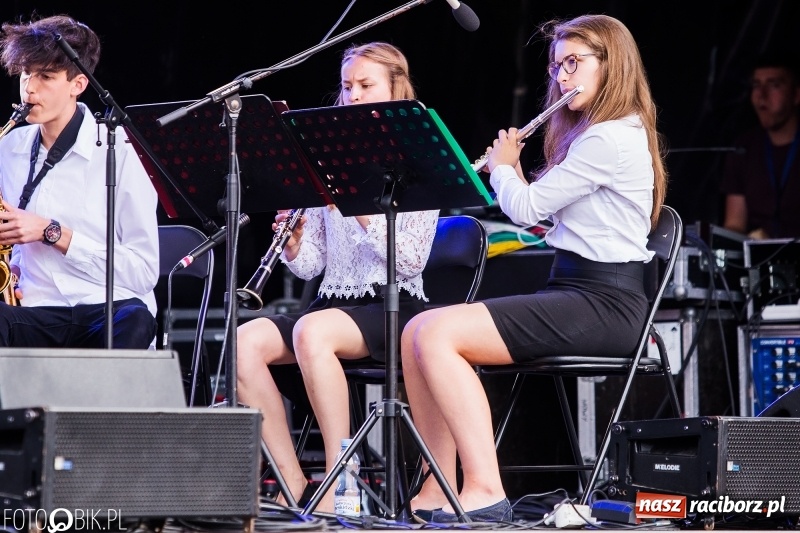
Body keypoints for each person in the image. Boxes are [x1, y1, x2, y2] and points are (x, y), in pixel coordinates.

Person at [401, 14, 668, 523]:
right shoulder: (597, 136)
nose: (562, 78)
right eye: (556, 66)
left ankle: (484, 490)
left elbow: (524, 208)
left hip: (606, 305)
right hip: (575, 291)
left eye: (574, 63)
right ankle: (436, 488)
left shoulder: (609, 138)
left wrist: (503, 165)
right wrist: (518, 181)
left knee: (436, 335)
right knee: (416, 330)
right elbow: (546, 213)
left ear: (612, 66)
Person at [236, 41, 439, 512]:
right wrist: (293, 241)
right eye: (348, 87)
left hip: (395, 304)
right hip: (334, 304)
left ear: (395, 89)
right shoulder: (327, 155)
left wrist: (357, 206)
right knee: (245, 342)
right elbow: (311, 267)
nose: (354, 96)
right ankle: (292, 478)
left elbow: (408, 260)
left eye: (366, 86)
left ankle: (339, 478)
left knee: (311, 329)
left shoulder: (416, 158)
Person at [0, 14, 158, 348]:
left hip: (107, 308)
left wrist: (52, 232)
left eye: (45, 76)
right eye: (26, 73)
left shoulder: (123, 150)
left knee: (135, 320)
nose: (29, 88)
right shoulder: (8, 146)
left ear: (79, 84)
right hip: (35, 309)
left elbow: (143, 272)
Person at [720, 53, 800, 239]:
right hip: (761, 263)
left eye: (774, 85)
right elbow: (734, 224)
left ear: (796, 95)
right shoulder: (743, 148)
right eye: (756, 85)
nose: (762, 96)